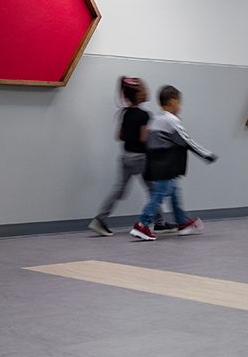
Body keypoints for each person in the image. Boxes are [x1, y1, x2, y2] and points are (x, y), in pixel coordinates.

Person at [131, 85, 217, 242]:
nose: (180, 106)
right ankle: (142, 224)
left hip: (156, 165)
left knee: (174, 191)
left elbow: (147, 141)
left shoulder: (155, 119)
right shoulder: (171, 120)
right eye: (179, 102)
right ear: (172, 102)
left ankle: (182, 222)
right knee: (159, 195)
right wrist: (206, 154)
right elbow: (187, 141)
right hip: (165, 166)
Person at [89, 77, 153, 237]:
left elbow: (119, 135)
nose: (147, 91)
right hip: (140, 158)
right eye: (144, 89)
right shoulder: (145, 115)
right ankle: (158, 222)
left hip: (125, 157)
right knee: (154, 190)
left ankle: (100, 218)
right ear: (138, 95)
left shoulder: (125, 113)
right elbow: (144, 138)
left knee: (119, 190)